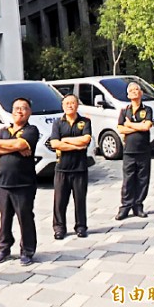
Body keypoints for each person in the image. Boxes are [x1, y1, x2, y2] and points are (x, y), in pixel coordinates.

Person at [0, 97, 40, 266]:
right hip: (3, 183)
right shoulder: (4, 130)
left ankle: (27, 251)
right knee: (5, 218)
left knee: (25, 217)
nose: (19, 111)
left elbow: (16, 144)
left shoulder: (31, 130)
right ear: (11, 111)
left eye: (24, 108)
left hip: (24, 183)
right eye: (16, 107)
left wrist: (3, 144)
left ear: (29, 112)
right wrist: (13, 146)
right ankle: (3, 248)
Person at [49, 94, 93, 239]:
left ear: (77, 105)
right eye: (67, 103)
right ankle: (59, 228)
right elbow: (55, 143)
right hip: (62, 168)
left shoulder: (85, 121)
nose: (69, 105)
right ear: (62, 106)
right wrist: (76, 145)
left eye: (72, 103)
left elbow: (86, 140)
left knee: (80, 200)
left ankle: (81, 226)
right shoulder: (57, 123)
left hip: (80, 168)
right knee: (60, 201)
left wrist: (66, 141)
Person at [115, 81, 153, 220]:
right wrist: (138, 126)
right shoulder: (124, 111)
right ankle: (125, 207)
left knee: (143, 179)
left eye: (137, 89)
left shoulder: (147, 109)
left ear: (141, 92)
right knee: (128, 180)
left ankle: (138, 205)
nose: (134, 92)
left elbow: (146, 127)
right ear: (128, 94)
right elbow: (120, 128)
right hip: (129, 152)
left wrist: (130, 124)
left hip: (143, 150)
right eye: (131, 90)